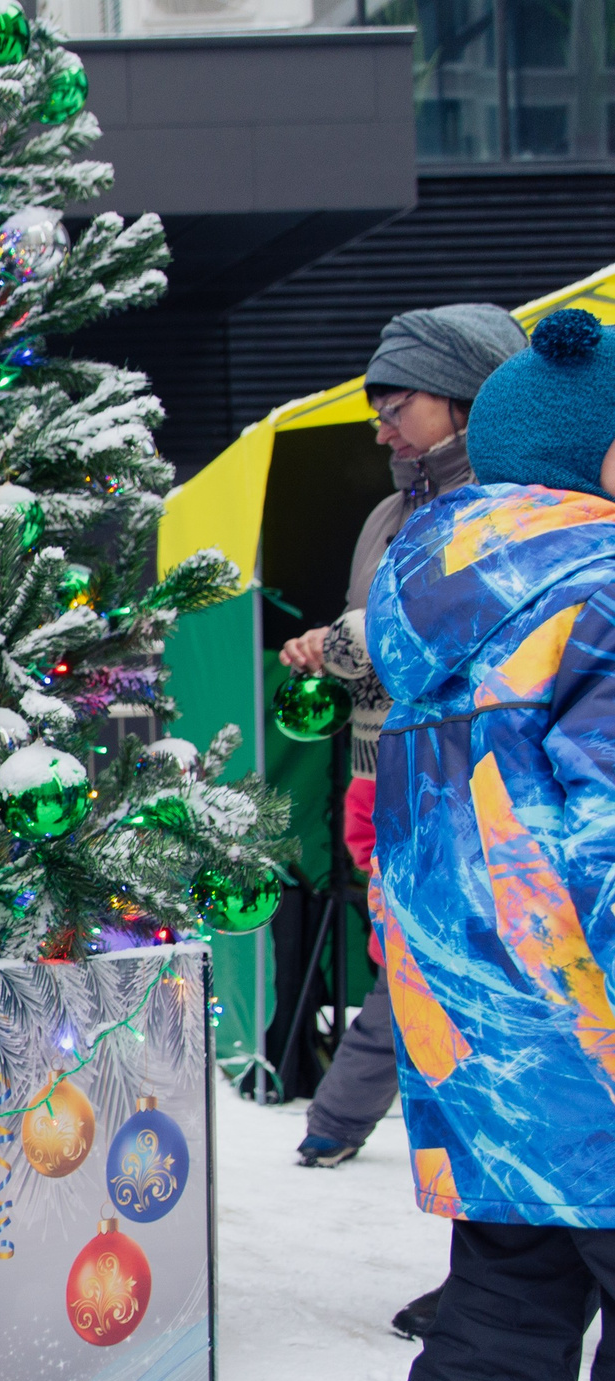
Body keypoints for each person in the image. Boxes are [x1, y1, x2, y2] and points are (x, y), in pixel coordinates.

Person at [354, 307, 615, 1381]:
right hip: (595, 1028)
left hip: (479, 1039)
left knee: (506, 1301)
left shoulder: (423, 585)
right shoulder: (607, 592)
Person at [281, 305, 529, 1189]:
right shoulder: (388, 512)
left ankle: (352, 1123)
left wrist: (345, 641)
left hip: (473, 794)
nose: (381, 425)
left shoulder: (505, 508)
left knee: (457, 992)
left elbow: (416, 633)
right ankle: (490, 1249)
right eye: (375, 405)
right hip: (377, 782)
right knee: (417, 974)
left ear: (467, 399)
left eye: (400, 403)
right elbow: (380, 642)